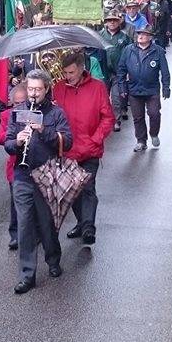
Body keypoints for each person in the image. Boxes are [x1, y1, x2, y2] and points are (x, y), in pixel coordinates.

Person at [4, 69, 73, 294]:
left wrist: (43, 131)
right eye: (30, 89)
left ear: (47, 89)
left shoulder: (56, 113)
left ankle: (53, 259)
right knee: (25, 224)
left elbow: (67, 142)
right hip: (23, 175)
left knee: (47, 223)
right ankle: (27, 275)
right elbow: (7, 143)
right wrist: (17, 141)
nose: (33, 93)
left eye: (38, 89)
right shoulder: (18, 112)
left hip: (47, 175)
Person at [53, 52, 114, 245]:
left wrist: (95, 139)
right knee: (73, 191)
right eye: (65, 72)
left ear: (81, 69)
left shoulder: (97, 87)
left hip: (89, 149)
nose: (67, 76)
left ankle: (88, 228)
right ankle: (81, 223)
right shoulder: (58, 88)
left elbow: (108, 117)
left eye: (71, 72)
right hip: (67, 150)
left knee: (87, 187)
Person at [117, 26, 171, 152]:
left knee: (154, 113)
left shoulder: (158, 51)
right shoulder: (128, 50)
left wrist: (166, 87)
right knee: (138, 117)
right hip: (134, 89)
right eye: (139, 34)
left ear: (150, 37)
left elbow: (165, 71)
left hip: (152, 90)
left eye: (144, 34)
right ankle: (141, 141)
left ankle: (154, 133)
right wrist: (122, 87)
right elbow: (121, 70)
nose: (140, 36)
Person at [0, 81, 27, 250]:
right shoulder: (7, 115)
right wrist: (15, 137)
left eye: (22, 103)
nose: (19, 107)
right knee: (15, 202)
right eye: (16, 103)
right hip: (15, 164)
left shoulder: (35, 113)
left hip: (35, 164)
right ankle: (15, 235)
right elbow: (0, 137)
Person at [99, 12, 132, 132]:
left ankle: (116, 120)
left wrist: (128, 70)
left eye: (114, 20)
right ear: (106, 22)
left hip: (118, 73)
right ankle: (103, 120)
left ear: (119, 21)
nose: (112, 22)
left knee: (116, 97)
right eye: (109, 20)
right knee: (102, 98)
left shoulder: (124, 37)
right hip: (103, 72)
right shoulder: (100, 35)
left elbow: (130, 53)